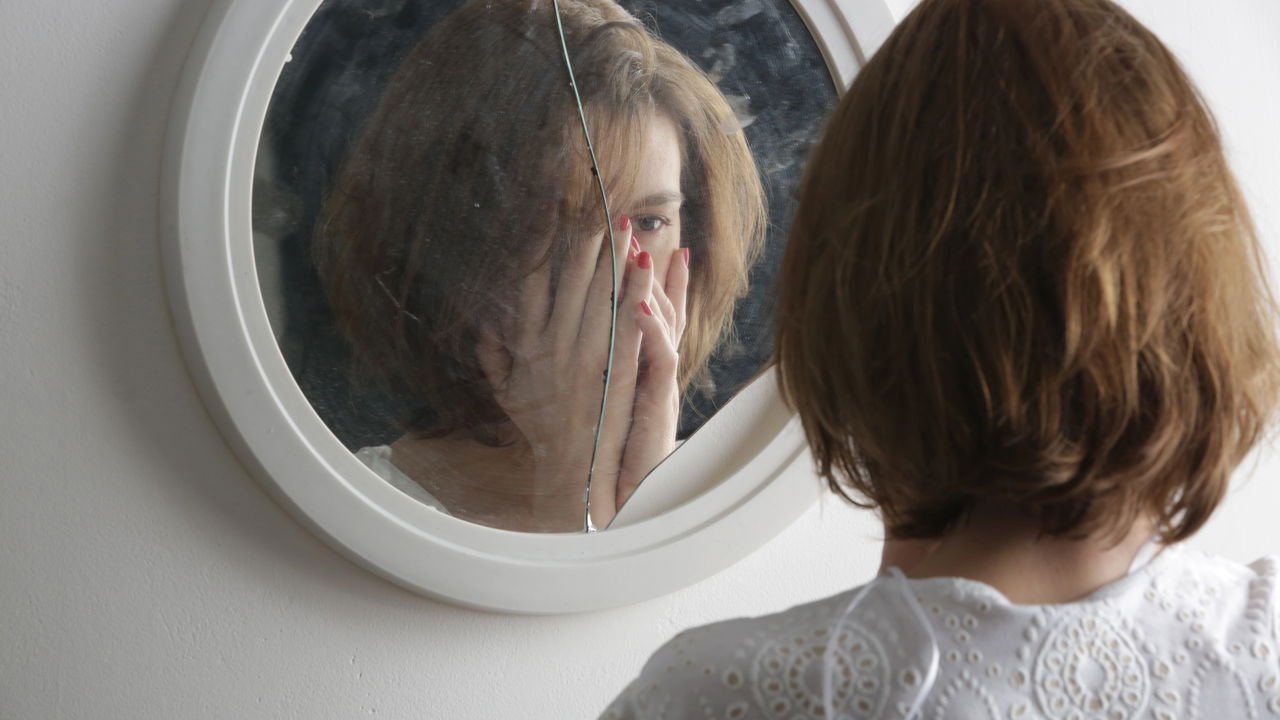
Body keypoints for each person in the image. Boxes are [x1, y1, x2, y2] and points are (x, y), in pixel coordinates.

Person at [600, 0, 1279, 716]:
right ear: (1202, 293)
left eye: (650, 219)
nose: (609, 266)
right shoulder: (1258, 655)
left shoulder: (716, 694)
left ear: (847, 300)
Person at [311, 0, 766, 532]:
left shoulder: (739, 492)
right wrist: (570, 475)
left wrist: (644, 497)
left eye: (647, 222)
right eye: (562, 225)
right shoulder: (359, 510)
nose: (611, 276)